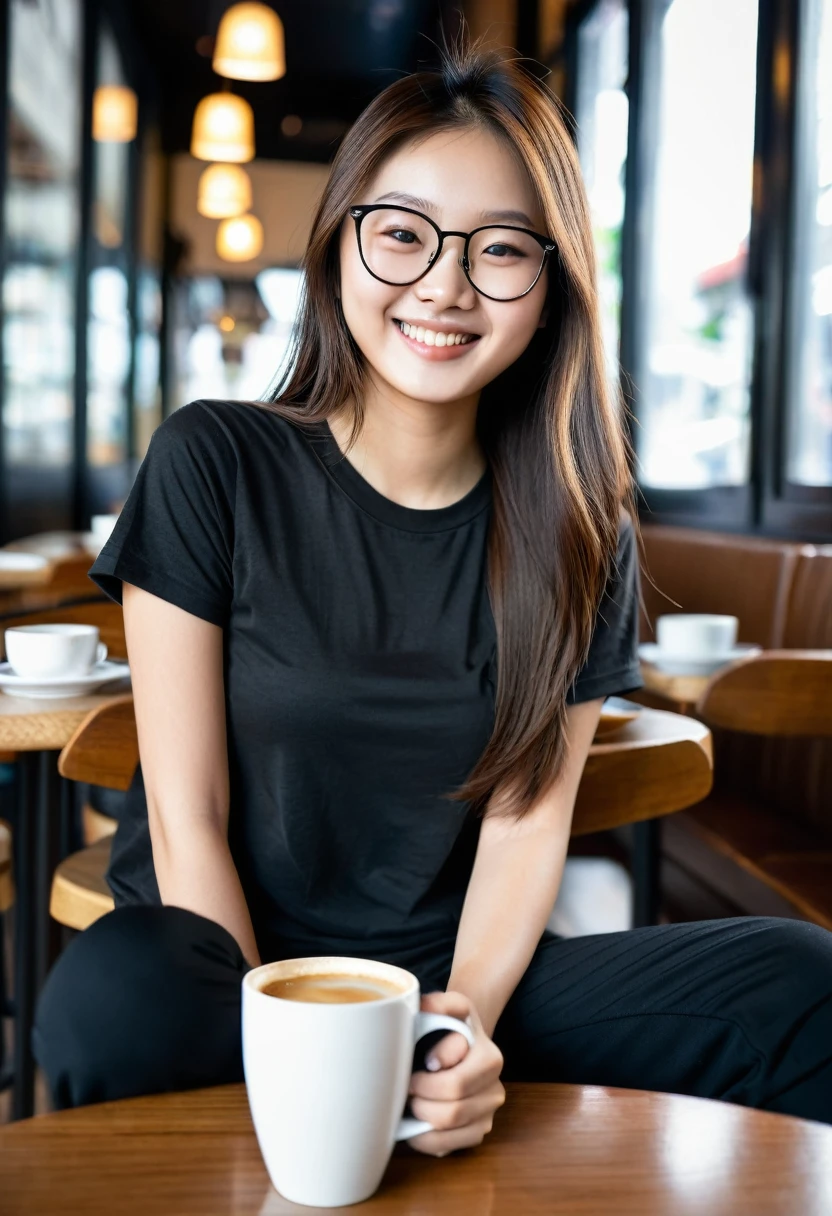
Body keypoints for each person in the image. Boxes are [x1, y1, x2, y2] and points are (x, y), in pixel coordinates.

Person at [35, 39, 832, 1146]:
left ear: (550, 288)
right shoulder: (213, 460)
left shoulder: (577, 531)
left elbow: (525, 824)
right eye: (403, 232)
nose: (445, 285)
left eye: (501, 249)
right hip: (225, 974)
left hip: (447, 987)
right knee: (109, 995)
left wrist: (459, 1038)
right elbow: (186, 815)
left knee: (800, 981)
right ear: (338, 248)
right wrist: (294, 1047)